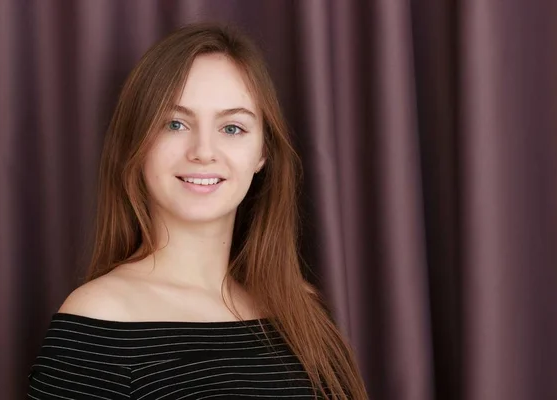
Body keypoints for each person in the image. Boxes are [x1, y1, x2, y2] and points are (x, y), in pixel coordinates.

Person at [27, 22, 367, 400]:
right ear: (136, 145)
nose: (203, 151)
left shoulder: (299, 307)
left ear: (263, 153)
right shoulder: (100, 317)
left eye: (233, 128)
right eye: (175, 124)